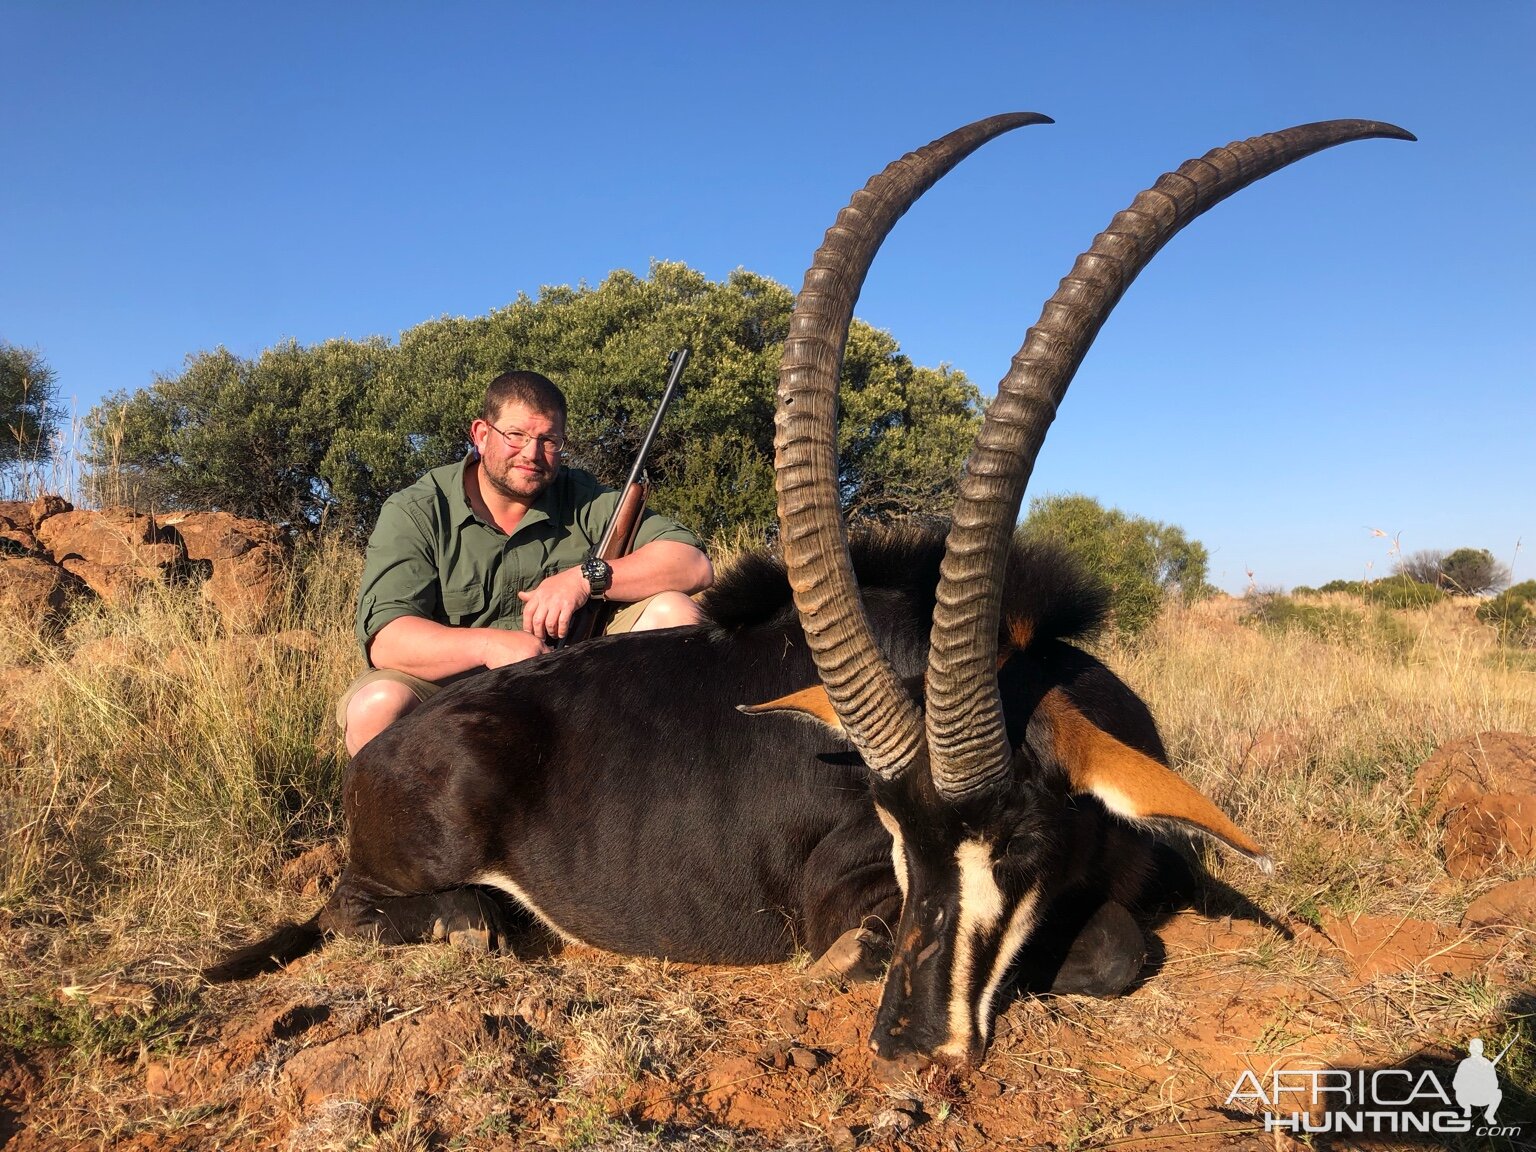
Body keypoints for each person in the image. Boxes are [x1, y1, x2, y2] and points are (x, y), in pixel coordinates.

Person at [338, 369, 714, 755]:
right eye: (515, 435)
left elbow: (693, 564)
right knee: (376, 705)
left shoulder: (583, 497)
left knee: (676, 613)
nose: (532, 454)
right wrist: (490, 646)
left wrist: (584, 578)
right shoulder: (417, 509)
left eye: (548, 440)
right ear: (482, 435)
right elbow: (387, 640)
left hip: (568, 678)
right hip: (452, 689)